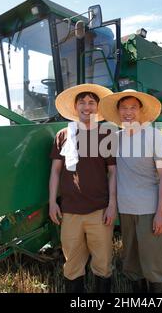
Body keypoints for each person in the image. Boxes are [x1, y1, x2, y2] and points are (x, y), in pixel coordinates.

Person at [99, 89, 162, 293]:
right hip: (126, 211)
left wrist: (161, 213)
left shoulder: (154, 136)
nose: (128, 112)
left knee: (154, 265)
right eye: (124, 108)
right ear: (118, 111)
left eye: (133, 107)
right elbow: (111, 173)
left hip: (149, 210)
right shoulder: (115, 138)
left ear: (140, 111)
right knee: (131, 265)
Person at [49, 84, 117, 293]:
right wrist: (52, 202)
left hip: (99, 210)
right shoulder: (63, 135)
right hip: (70, 212)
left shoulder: (106, 135)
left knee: (103, 264)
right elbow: (55, 172)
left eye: (91, 103)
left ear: (97, 107)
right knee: (72, 265)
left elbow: (113, 172)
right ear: (75, 107)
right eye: (82, 102)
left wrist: (112, 204)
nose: (86, 107)